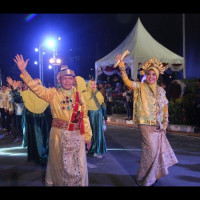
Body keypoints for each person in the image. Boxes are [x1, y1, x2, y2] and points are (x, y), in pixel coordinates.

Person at [14, 54, 92, 186]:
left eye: (70, 78)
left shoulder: (79, 96)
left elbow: (84, 117)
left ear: (74, 80)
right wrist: (24, 71)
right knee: (60, 164)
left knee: (78, 165)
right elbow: (36, 88)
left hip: (77, 135)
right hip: (58, 135)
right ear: (59, 80)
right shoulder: (53, 93)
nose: (67, 81)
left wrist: (88, 136)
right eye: (64, 78)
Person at [115, 55, 178, 186]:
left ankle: (151, 175)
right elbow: (127, 81)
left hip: (158, 126)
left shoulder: (161, 91)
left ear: (157, 76)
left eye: (153, 74)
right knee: (151, 151)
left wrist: (165, 124)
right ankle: (147, 178)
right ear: (146, 75)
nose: (151, 77)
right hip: (145, 125)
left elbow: (165, 108)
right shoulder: (140, 87)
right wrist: (122, 67)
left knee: (156, 152)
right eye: (149, 74)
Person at [86, 79, 107, 158]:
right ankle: (91, 148)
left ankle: (98, 150)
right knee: (89, 133)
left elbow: (102, 103)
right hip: (89, 115)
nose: (93, 85)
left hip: (98, 115)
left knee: (97, 133)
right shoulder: (85, 94)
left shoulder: (98, 93)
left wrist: (105, 117)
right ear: (88, 85)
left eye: (94, 84)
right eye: (91, 84)